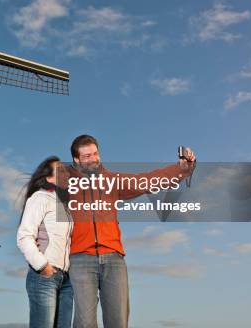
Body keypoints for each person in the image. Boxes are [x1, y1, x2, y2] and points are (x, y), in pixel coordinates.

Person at [60, 134, 196, 328]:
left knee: (118, 321)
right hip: (80, 259)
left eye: (95, 154)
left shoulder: (112, 180)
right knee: (84, 323)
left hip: (113, 258)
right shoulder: (67, 183)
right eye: (87, 156)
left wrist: (181, 169)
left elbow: (148, 181)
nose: (93, 159)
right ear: (76, 159)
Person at [17, 156, 74, 328]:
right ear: (49, 178)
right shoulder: (40, 198)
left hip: (67, 280)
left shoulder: (66, 206)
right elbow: (24, 236)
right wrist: (43, 266)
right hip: (45, 277)